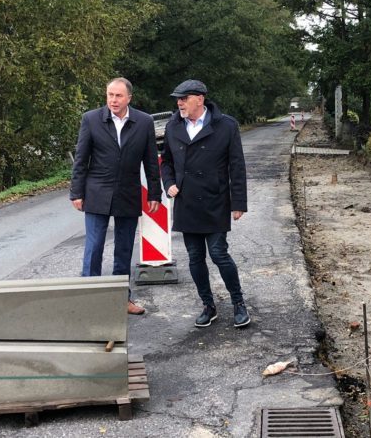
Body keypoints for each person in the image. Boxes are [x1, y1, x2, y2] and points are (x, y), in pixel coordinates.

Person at [160, 79, 250, 328]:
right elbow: (166, 161)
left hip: (215, 200)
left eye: (184, 98)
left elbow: (237, 166)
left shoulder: (226, 125)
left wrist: (238, 202)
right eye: (177, 98)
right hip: (186, 202)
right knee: (195, 257)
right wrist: (168, 184)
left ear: (199, 99)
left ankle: (238, 303)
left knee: (219, 253)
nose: (179, 103)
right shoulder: (172, 126)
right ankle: (208, 306)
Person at [70, 77, 161, 315]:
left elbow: (151, 161)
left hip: (128, 193)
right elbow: (81, 159)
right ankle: (90, 299)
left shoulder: (143, 122)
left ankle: (122, 299)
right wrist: (76, 192)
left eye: (118, 96)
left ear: (129, 98)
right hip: (96, 192)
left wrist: (154, 193)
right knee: (94, 247)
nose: (113, 100)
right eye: (110, 95)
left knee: (123, 250)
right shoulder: (91, 119)